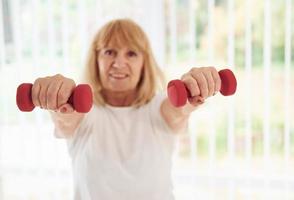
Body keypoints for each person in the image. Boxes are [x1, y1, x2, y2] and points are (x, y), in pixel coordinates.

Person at [31, 19, 222, 200]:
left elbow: (178, 109)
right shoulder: (83, 110)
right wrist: (57, 98)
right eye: (109, 52)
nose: (119, 63)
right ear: (96, 59)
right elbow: (66, 118)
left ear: (144, 62)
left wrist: (192, 89)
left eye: (131, 53)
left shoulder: (158, 108)